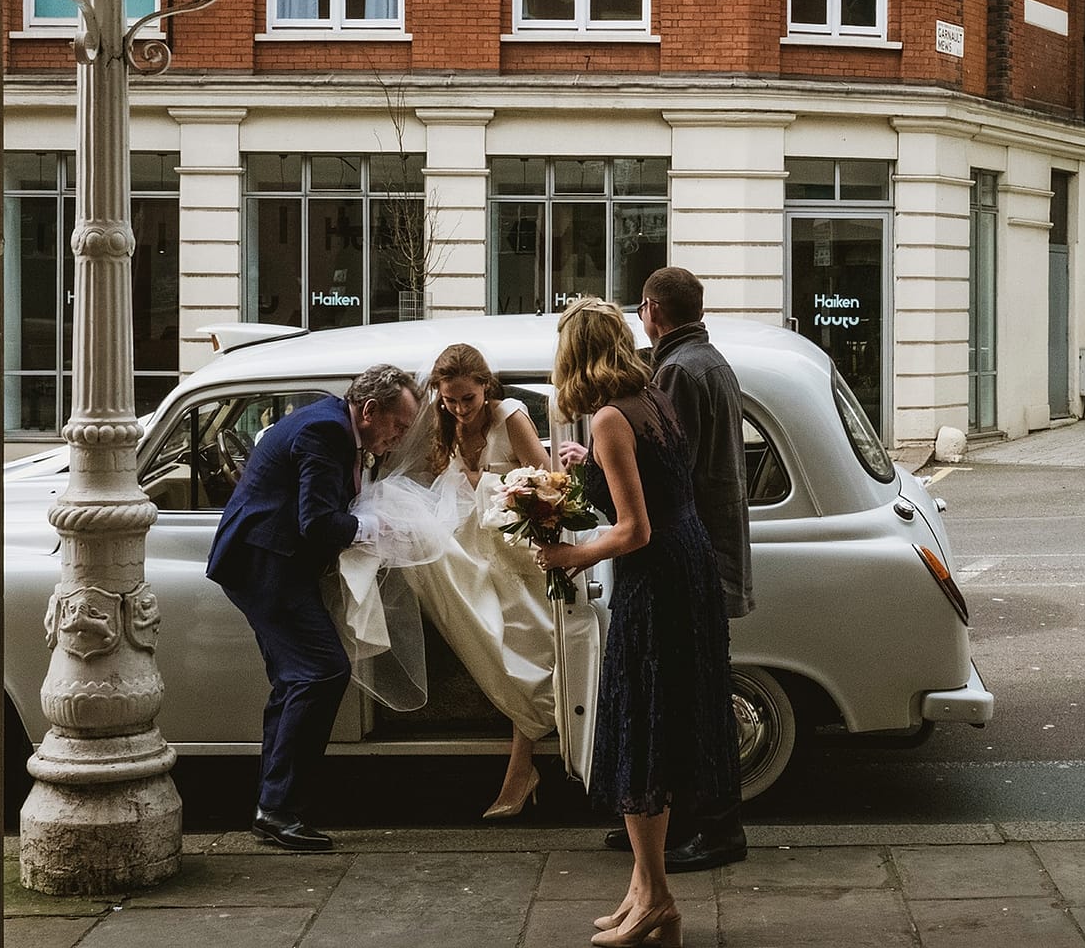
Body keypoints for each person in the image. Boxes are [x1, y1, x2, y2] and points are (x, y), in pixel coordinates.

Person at [535, 298, 736, 948]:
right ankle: (645, 891)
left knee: (640, 732)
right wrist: (584, 467)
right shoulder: (648, 394)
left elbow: (632, 528)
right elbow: (649, 490)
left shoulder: (611, 417)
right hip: (689, 566)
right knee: (656, 730)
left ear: (573, 354)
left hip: (658, 580)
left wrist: (568, 554)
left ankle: (656, 898)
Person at [206, 363, 422, 852]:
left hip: (268, 561)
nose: (399, 436)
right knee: (321, 672)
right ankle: (278, 807)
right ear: (369, 410)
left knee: (294, 681)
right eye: (399, 426)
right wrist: (380, 531)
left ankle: (275, 804)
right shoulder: (327, 430)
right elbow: (318, 523)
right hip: (266, 564)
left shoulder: (332, 421)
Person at [612, 267, 752, 873]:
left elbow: (670, 468)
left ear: (650, 309)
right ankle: (680, 823)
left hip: (690, 549)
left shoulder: (676, 371)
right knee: (694, 691)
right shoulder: (709, 359)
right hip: (710, 542)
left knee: (691, 697)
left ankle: (716, 829)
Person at [395, 343, 556, 819]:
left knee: (523, 638)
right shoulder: (442, 424)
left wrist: (495, 487)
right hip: (470, 548)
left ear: (487, 386)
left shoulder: (510, 418)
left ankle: (521, 767)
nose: (460, 409)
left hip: (515, 552)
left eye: (468, 399)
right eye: (450, 400)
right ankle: (523, 765)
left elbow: (548, 485)